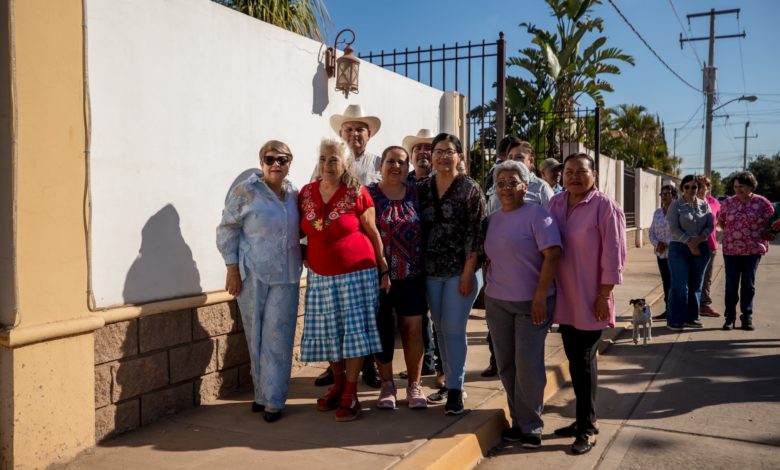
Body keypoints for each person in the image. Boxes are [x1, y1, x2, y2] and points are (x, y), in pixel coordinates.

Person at [299, 137, 389, 422]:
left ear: (346, 163)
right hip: (320, 275)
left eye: (333, 159)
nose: (327, 164)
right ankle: (338, 384)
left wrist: (383, 267)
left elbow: (372, 231)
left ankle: (351, 391)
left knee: (353, 333)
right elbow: (302, 230)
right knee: (329, 331)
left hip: (356, 273)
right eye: (323, 158)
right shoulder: (306, 193)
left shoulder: (357, 192)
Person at [216, 140, 302, 423]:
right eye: (270, 159)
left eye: (282, 159)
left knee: (279, 337)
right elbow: (227, 229)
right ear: (261, 161)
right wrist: (231, 269)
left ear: (290, 162)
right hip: (253, 274)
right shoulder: (247, 191)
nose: (276, 164)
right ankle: (261, 394)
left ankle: (274, 400)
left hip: (287, 275)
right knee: (255, 336)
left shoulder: (295, 194)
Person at [547, 152, 626, 455]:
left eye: (581, 172)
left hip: (593, 298)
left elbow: (614, 255)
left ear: (594, 175)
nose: (574, 177)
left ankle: (587, 428)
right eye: (569, 172)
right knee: (576, 361)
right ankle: (585, 419)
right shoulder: (555, 203)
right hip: (564, 297)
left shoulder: (605, 207)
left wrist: (604, 295)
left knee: (582, 361)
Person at [484, 160, 562, 448]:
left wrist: (540, 295)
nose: (506, 188)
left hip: (533, 303)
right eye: (500, 183)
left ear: (525, 186)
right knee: (506, 364)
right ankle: (518, 421)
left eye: (512, 182)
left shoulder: (538, 215)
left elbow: (552, 254)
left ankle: (532, 426)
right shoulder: (493, 219)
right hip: (498, 302)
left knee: (528, 365)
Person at [314, 104, 383, 389]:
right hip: (332, 254)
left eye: (360, 130)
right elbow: (314, 203)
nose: (354, 134)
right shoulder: (324, 162)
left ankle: (369, 367)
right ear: (341, 133)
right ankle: (336, 370)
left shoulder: (379, 164)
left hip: (366, 250)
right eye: (349, 129)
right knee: (335, 318)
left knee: (365, 316)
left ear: (369, 135)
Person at [418, 133, 486, 415]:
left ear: (459, 156)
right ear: (431, 155)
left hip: (462, 271)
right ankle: (448, 381)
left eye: (449, 151)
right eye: (439, 151)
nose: (444, 156)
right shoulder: (422, 188)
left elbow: (477, 233)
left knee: (454, 329)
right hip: (431, 271)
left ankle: (456, 389)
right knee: (440, 328)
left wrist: (468, 273)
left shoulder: (470, 189)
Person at [367, 146, 428, 409]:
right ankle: (387, 385)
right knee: (382, 331)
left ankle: (414, 385)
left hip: (411, 275)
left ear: (407, 167)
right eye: (391, 161)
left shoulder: (417, 194)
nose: (396, 166)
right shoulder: (368, 194)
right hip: (378, 276)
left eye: (402, 162)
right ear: (381, 165)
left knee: (413, 330)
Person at [400, 129, 438, 380]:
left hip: (439, 260)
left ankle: (444, 368)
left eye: (428, 148)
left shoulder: (442, 180)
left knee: (441, 316)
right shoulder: (404, 183)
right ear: (411, 156)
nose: (423, 152)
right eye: (418, 149)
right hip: (411, 260)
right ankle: (427, 362)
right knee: (419, 315)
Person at [717, 171, 774, 331]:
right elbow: (721, 221)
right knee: (731, 285)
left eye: (741, 186)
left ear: (751, 186)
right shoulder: (728, 202)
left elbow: (773, 221)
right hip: (731, 250)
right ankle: (729, 318)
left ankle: (746, 317)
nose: (738, 189)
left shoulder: (762, 202)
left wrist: (768, 233)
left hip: (753, 250)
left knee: (748, 284)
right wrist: (731, 232)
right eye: (735, 186)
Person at [665, 175, 714, 331]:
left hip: (701, 247)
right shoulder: (675, 205)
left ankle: (692, 317)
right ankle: (675, 320)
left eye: (694, 187)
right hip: (679, 248)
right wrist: (690, 243)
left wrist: (698, 240)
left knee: (696, 284)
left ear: (698, 188)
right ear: (682, 189)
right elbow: (673, 228)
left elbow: (710, 225)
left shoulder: (704, 204)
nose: (691, 189)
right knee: (680, 285)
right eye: (687, 187)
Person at [486, 138, 553, 213]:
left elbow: (551, 216)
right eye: (510, 157)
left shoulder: (542, 188)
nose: (513, 161)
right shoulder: (497, 185)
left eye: (519, 157)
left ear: (531, 161)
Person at [648, 184, 678, 321]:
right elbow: (651, 231)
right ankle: (668, 309)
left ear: (674, 196)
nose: (664, 197)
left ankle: (676, 310)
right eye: (662, 194)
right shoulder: (657, 212)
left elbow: (680, 231)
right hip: (661, 253)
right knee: (666, 281)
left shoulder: (678, 211)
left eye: (667, 194)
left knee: (675, 282)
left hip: (674, 253)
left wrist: (667, 244)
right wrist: (657, 244)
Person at [697, 175, 722, 317]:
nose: (701, 189)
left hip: (710, 245)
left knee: (707, 277)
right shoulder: (687, 202)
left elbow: (720, 220)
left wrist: (718, 230)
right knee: (692, 276)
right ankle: (690, 305)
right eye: (698, 185)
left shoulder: (714, 202)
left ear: (708, 187)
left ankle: (704, 304)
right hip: (692, 245)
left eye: (704, 186)